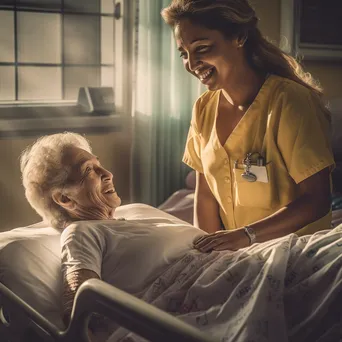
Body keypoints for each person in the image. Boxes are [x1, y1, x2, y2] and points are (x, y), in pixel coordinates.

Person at [20, 132, 342, 341]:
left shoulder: (133, 213)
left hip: (241, 262)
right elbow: (80, 302)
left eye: (99, 164)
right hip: (214, 287)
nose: (108, 174)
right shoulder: (81, 232)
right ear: (65, 199)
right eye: (90, 171)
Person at [161, 0, 335, 252]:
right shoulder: (203, 108)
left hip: (296, 251)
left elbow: (316, 200)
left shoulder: (290, 102)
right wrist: (209, 257)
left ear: (239, 37)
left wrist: (246, 236)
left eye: (202, 48)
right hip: (238, 255)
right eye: (184, 53)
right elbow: (206, 197)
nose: (191, 63)